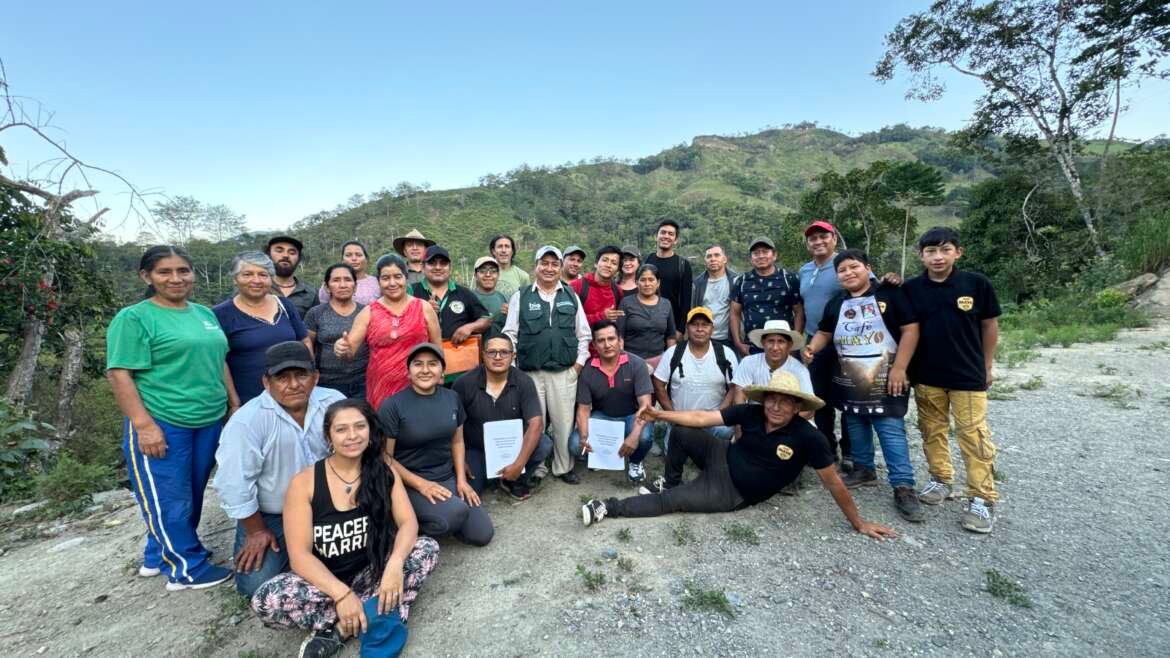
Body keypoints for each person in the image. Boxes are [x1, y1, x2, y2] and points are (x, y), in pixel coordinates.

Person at [579, 370, 896, 546]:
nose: (775, 407)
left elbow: (833, 483)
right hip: (724, 456)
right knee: (682, 432)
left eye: (785, 403)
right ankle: (670, 478)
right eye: (771, 400)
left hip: (733, 491)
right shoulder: (751, 411)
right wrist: (661, 415)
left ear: (798, 407)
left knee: (670, 502)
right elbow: (704, 418)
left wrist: (859, 523)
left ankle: (608, 507)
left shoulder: (809, 438)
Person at [250, 399, 440, 658]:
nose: (352, 436)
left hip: (374, 570)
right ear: (328, 435)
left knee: (426, 548)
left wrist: (395, 565)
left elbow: (408, 523)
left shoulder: (383, 471)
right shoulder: (304, 483)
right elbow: (299, 556)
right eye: (341, 429)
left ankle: (342, 628)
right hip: (326, 581)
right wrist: (341, 595)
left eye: (360, 427)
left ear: (370, 431)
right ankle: (375, 613)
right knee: (267, 599)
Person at [106, 245, 235, 591]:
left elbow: (219, 358)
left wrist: (233, 402)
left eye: (183, 271)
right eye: (165, 272)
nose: (176, 278)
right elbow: (119, 374)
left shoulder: (204, 314)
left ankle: (156, 554)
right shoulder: (134, 318)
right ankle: (186, 568)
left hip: (206, 419)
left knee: (189, 493)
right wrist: (144, 426)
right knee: (169, 496)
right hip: (164, 420)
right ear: (147, 276)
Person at [213, 342, 346, 596]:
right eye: (282, 377)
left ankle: (311, 559)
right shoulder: (247, 422)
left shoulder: (334, 402)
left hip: (331, 505)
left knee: (358, 556)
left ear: (315, 377)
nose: (294, 384)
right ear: (266, 382)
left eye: (302, 375)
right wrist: (255, 530)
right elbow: (234, 483)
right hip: (274, 515)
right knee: (258, 586)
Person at [802, 249, 923, 523]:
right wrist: (812, 348)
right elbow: (825, 332)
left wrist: (901, 368)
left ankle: (903, 486)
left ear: (868, 268)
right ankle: (864, 469)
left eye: (853, 267)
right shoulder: (836, 303)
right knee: (855, 421)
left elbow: (911, 330)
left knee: (890, 428)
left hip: (886, 375)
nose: (848, 273)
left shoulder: (890, 294)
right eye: (842, 270)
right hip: (850, 375)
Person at [902, 226, 1002, 534]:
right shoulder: (912, 288)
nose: (938, 257)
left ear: (958, 252)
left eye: (945, 250)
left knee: (973, 435)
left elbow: (989, 326)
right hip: (927, 375)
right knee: (932, 430)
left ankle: (982, 498)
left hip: (967, 375)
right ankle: (941, 478)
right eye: (931, 251)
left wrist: (986, 365)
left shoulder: (976, 284)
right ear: (921, 255)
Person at [379, 343, 494, 545]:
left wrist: (461, 480)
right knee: (455, 513)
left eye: (432, 364)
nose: (425, 370)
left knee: (482, 534)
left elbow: (457, 441)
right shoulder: (392, 405)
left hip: (445, 476)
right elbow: (385, 457)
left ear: (442, 371)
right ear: (408, 372)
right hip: (409, 482)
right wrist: (421, 485)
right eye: (418, 364)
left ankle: (446, 515)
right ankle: (404, 520)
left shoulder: (451, 398)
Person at [502, 246, 592, 484]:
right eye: (545, 263)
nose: (549, 268)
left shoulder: (570, 295)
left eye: (554, 263)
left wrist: (578, 367)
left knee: (563, 424)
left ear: (560, 267)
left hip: (564, 373)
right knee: (535, 423)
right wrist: (512, 371)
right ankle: (537, 466)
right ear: (536, 266)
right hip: (529, 374)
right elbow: (510, 335)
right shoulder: (521, 296)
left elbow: (583, 334)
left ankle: (563, 467)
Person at [451, 334, 553, 500]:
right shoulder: (463, 383)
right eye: (492, 352)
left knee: (544, 443)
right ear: (482, 355)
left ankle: (514, 479)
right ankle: (491, 476)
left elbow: (536, 424)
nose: (498, 357)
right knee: (470, 492)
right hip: (476, 448)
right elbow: (451, 425)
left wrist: (519, 465)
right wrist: (459, 461)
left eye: (504, 352)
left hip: (512, 447)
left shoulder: (524, 381)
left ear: (513, 356)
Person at [334, 254, 441, 411]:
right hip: (381, 389)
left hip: (421, 385)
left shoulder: (424, 307)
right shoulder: (368, 312)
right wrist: (342, 348)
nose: (392, 283)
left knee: (420, 430)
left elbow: (437, 346)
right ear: (378, 281)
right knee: (385, 432)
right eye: (385, 278)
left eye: (398, 276)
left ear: (405, 278)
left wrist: (440, 376)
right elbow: (349, 352)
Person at [214, 251, 310, 405]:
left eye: (263, 275)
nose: (256, 280)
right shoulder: (221, 314)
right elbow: (219, 361)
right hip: (250, 400)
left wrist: (307, 380)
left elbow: (304, 340)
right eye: (248, 274)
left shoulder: (284, 305)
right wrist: (234, 403)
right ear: (235, 279)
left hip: (291, 397)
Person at [798, 220, 851, 470]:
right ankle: (828, 448)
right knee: (819, 399)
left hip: (848, 343)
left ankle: (853, 453)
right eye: (813, 238)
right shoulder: (805, 270)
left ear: (834, 239)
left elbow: (871, 287)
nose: (818, 242)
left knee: (850, 398)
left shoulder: (845, 264)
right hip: (815, 341)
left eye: (823, 237)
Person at [575, 320, 654, 483]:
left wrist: (634, 435)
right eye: (601, 341)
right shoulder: (588, 370)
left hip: (632, 415)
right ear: (595, 346)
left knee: (644, 437)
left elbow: (646, 406)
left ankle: (635, 462)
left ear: (620, 341)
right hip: (603, 417)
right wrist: (584, 436)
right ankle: (602, 456)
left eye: (611, 339)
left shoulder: (637, 364)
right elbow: (583, 409)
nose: (607, 344)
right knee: (575, 443)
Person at [652, 307, 739, 441]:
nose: (700, 329)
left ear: (712, 328)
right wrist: (673, 416)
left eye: (705, 325)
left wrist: (719, 414)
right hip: (681, 421)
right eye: (694, 324)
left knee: (725, 431)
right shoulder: (673, 353)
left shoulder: (726, 353)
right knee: (675, 458)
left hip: (713, 422)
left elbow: (734, 387)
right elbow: (658, 384)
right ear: (687, 328)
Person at [731, 237, 804, 357]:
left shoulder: (789, 279)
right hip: (752, 347)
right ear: (751, 258)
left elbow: (799, 312)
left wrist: (794, 344)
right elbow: (734, 313)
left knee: (786, 376)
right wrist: (738, 343)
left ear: (774, 255)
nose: (760, 256)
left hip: (784, 346)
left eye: (765, 251)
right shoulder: (742, 281)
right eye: (756, 253)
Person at [304, 264, 368, 399]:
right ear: (327, 287)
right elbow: (307, 347)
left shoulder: (367, 311)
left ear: (355, 286)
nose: (343, 285)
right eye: (336, 280)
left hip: (363, 383)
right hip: (327, 384)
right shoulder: (316, 313)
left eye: (348, 280)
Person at [410, 245, 491, 344]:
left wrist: (469, 327)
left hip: (456, 354)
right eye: (432, 263)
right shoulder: (411, 291)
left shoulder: (464, 293)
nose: (438, 267)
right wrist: (420, 312)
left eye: (443, 263)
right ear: (422, 267)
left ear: (450, 268)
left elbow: (486, 319)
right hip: (420, 355)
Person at [731, 320, 813, 411]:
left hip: (789, 420)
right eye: (770, 341)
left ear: (789, 345)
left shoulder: (799, 370)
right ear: (763, 343)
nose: (775, 347)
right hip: (755, 418)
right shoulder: (748, 362)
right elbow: (739, 398)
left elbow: (809, 410)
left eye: (781, 342)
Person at [617, 264, 676, 368]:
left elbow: (671, 336)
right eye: (643, 280)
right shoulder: (626, 303)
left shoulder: (666, 304)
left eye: (651, 279)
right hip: (631, 361)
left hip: (659, 362)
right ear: (636, 282)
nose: (647, 284)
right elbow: (619, 336)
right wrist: (622, 360)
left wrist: (671, 360)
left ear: (658, 283)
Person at [642, 219, 693, 334]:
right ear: (656, 236)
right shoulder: (648, 260)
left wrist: (680, 329)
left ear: (676, 240)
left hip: (672, 324)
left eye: (671, 234)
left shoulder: (683, 265)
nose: (666, 236)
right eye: (663, 232)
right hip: (647, 322)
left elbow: (686, 301)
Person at [692, 245, 739, 354]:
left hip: (730, 340)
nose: (713, 259)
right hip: (704, 338)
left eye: (717, 255)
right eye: (709, 256)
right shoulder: (697, 284)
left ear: (724, 259)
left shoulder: (736, 281)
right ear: (705, 261)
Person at [570, 245, 625, 326]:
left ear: (617, 271)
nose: (608, 265)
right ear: (596, 263)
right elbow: (569, 320)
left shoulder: (617, 291)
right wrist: (601, 316)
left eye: (614, 263)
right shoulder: (577, 286)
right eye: (605, 260)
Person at [267, 236, 319, 319]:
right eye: (279, 251)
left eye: (292, 252)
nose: (285, 255)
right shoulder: (256, 288)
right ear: (268, 255)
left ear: (298, 258)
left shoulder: (311, 293)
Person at [317, 241, 381, 305]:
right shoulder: (331, 283)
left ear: (366, 259)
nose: (354, 258)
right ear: (342, 260)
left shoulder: (377, 282)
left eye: (359, 255)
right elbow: (323, 308)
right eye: (348, 255)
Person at [471, 256, 509, 333]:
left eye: (493, 271)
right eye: (482, 271)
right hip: (473, 343)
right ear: (475, 275)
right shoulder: (467, 297)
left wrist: (511, 316)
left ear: (498, 275)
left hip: (499, 343)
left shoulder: (506, 299)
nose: (488, 275)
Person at [489, 234, 530, 299]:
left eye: (507, 246)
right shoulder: (485, 275)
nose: (503, 250)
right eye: (500, 246)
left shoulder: (523, 276)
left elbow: (527, 302)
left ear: (512, 251)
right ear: (493, 251)